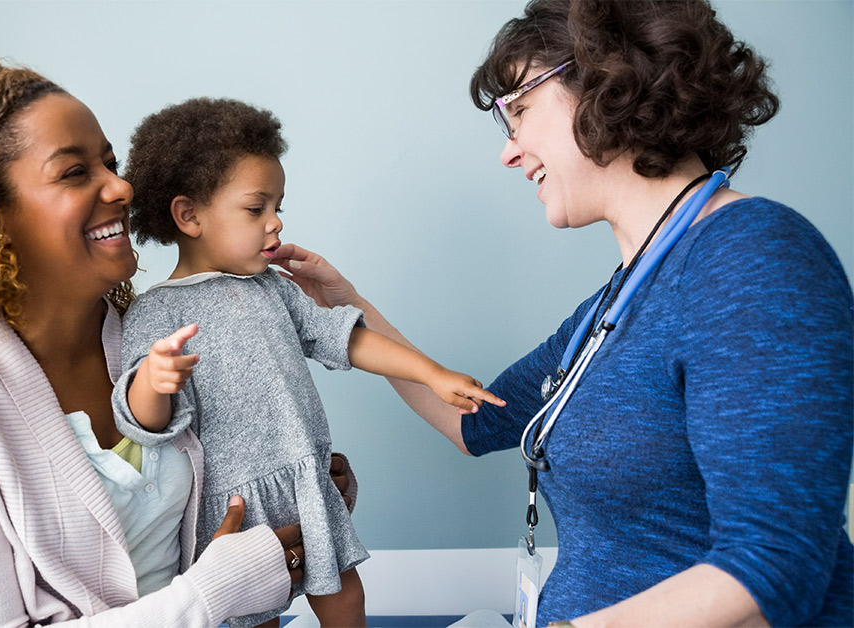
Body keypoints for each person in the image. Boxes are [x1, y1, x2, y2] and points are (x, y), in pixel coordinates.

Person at [273, 0, 854, 626]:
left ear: (608, 82)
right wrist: (349, 304)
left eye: (519, 111)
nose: (509, 152)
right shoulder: (610, 309)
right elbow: (471, 421)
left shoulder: (753, 255)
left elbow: (775, 565)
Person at [0, 58, 360, 627]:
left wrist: (308, 494)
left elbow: (236, 487)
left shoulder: (153, 337)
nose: (121, 187)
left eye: (110, 164)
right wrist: (213, 591)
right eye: (73, 172)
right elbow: (221, 582)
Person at [110, 97, 505, 628]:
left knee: (344, 597)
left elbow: (347, 339)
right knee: (252, 616)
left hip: (304, 480)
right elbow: (142, 423)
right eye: (256, 209)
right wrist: (153, 383)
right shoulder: (157, 311)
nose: (275, 223)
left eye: (278, 207)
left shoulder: (273, 288)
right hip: (233, 502)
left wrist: (431, 373)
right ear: (189, 216)